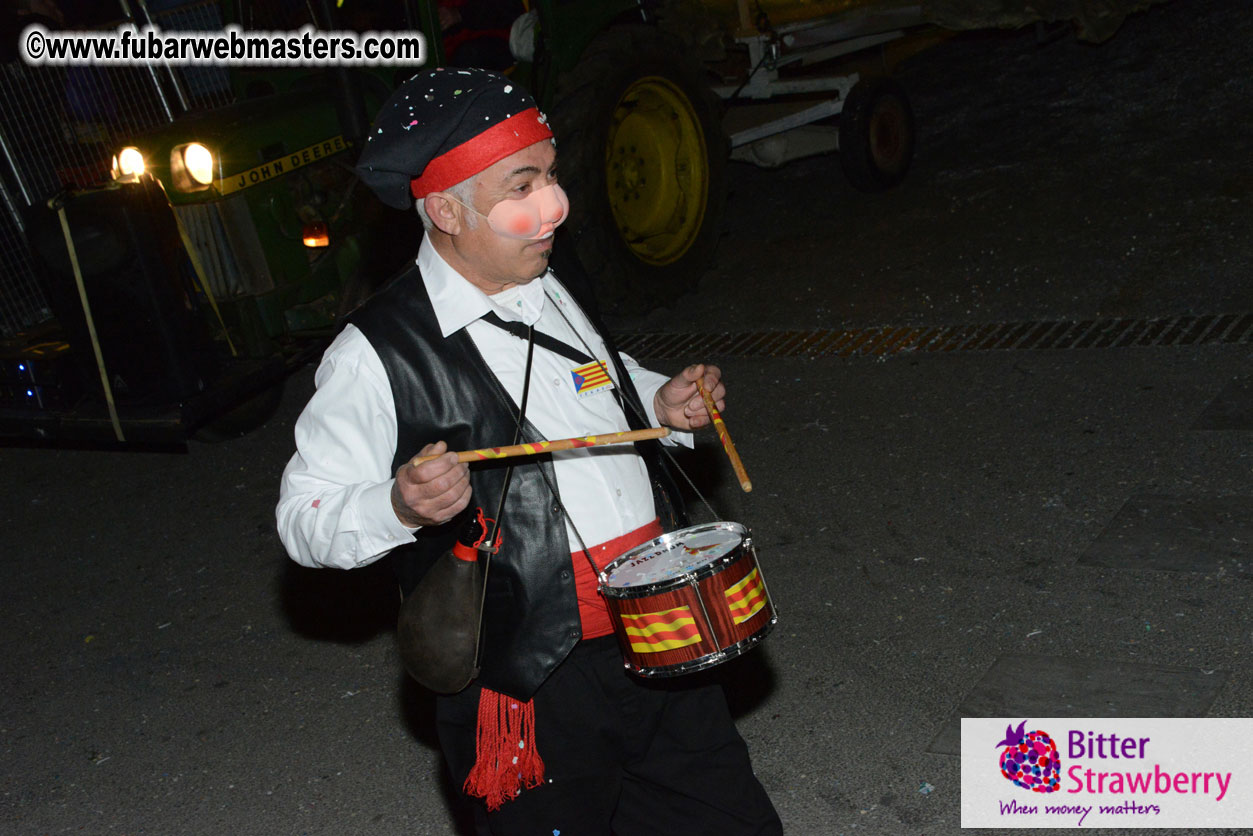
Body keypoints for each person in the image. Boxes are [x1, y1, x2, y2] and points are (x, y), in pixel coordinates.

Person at [276, 67, 781, 835]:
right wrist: (398, 503)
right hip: (530, 683)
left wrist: (658, 401)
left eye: (550, 175)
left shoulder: (545, 275)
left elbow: (591, 379)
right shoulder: (373, 353)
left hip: (658, 630)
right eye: (522, 186)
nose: (555, 206)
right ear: (446, 209)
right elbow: (303, 519)